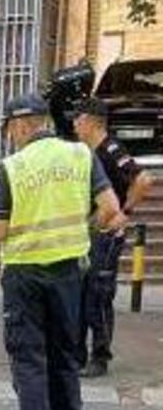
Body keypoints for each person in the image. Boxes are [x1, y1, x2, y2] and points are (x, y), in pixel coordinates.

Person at [0, 93, 125, 410]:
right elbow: (112, 209)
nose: (11, 137)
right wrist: (85, 227)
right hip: (69, 273)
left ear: (20, 126)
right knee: (65, 355)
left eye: (10, 130)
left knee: (29, 359)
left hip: (24, 274)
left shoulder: (14, 166)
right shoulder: (81, 155)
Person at [72, 98, 154, 378]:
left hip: (106, 234)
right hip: (89, 231)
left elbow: (143, 179)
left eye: (79, 118)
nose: (74, 124)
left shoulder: (111, 149)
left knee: (98, 294)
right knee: (81, 294)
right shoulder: (85, 152)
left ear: (93, 121)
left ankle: (100, 356)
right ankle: (77, 354)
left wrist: (125, 212)